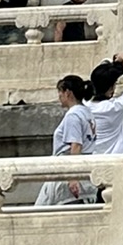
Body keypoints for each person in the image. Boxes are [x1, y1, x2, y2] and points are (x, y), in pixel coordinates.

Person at [36, 78, 95, 207]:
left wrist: (72, 177)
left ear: (68, 93)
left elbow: (76, 145)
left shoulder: (73, 116)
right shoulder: (87, 112)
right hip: (86, 170)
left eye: (60, 92)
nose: (59, 97)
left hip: (68, 173)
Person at [84, 54, 123, 155]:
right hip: (115, 160)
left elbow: (98, 77)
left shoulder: (84, 106)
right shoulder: (117, 107)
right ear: (111, 88)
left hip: (91, 159)